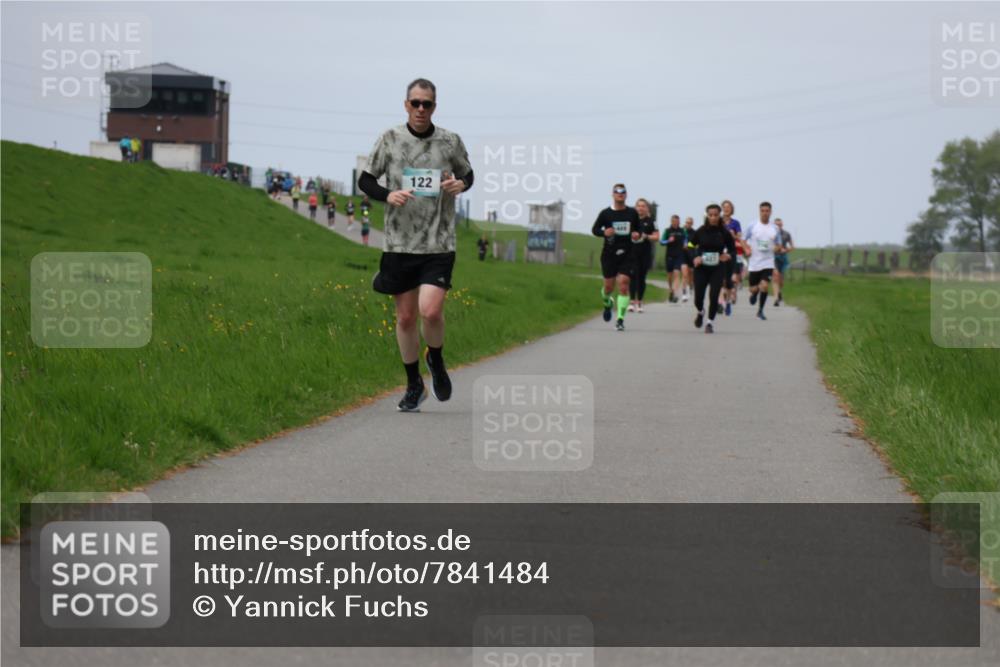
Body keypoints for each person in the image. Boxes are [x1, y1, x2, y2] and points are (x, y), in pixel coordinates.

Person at [358, 77, 474, 412]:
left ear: (434, 107)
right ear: (406, 105)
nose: (421, 109)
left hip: (438, 241)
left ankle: (435, 358)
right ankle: (413, 385)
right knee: (407, 318)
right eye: (415, 103)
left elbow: (468, 174)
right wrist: (387, 194)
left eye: (427, 104)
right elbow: (366, 179)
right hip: (399, 244)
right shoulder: (390, 139)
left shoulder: (450, 141)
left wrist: (460, 184)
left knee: (431, 310)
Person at [592, 183, 642, 332]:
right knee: (608, 287)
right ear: (613, 195)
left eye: (623, 191)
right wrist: (604, 233)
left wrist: (637, 234)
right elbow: (594, 229)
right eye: (617, 191)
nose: (620, 194)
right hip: (609, 254)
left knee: (624, 284)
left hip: (627, 253)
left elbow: (639, 229)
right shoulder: (605, 214)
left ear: (626, 195)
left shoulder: (632, 213)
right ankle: (607, 303)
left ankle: (620, 319)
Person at [690, 204, 737, 334]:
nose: (713, 217)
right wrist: (695, 257)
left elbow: (733, 250)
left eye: (716, 215)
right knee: (698, 298)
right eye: (710, 215)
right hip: (701, 268)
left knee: (714, 295)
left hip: (717, 268)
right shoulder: (700, 231)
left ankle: (710, 322)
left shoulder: (724, 232)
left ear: (719, 215)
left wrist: (727, 255)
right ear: (707, 216)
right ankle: (700, 312)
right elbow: (689, 244)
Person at [743, 201, 781, 321]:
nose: (765, 213)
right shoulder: (752, 225)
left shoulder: (775, 228)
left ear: (770, 212)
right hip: (754, 263)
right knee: (753, 288)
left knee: (764, 286)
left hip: (768, 262)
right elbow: (743, 240)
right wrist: (747, 249)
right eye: (762, 211)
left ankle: (760, 311)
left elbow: (779, 245)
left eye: (767, 211)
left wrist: (776, 248)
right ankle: (754, 293)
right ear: (759, 211)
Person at [628, 198, 659, 313]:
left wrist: (646, 236)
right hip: (632, 252)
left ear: (647, 208)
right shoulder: (631, 220)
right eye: (638, 206)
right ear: (636, 207)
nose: (640, 208)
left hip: (645, 253)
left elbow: (657, 237)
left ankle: (640, 301)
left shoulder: (651, 221)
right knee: (632, 276)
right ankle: (631, 302)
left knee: (641, 278)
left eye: (643, 206)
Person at [721, 199, 741, 316]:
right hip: (719, 253)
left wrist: (733, 235)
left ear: (731, 209)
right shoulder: (718, 221)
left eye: (728, 207)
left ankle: (728, 302)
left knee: (729, 282)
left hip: (731, 253)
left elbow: (739, 236)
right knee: (720, 279)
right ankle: (720, 301)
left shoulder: (735, 223)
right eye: (724, 207)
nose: (726, 209)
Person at [660, 214, 687, 303]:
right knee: (669, 276)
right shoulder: (667, 231)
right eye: (673, 221)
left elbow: (686, 239)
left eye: (677, 221)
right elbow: (661, 242)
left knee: (677, 273)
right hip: (669, 256)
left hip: (679, 256)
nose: (675, 223)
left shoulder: (682, 230)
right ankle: (671, 289)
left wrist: (685, 244)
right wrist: (668, 240)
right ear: (671, 222)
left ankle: (674, 293)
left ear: (679, 222)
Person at [773, 218, 794, 306]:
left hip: (783, 257)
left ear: (782, 225)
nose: (778, 226)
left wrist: (785, 250)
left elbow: (792, 246)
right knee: (775, 276)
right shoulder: (770, 234)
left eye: (779, 225)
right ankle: (776, 298)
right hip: (773, 257)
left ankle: (779, 292)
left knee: (781, 280)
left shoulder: (786, 234)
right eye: (776, 225)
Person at [682, 217, 696, 300]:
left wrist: (688, 245)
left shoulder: (694, 233)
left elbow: (696, 244)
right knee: (684, 274)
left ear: (692, 224)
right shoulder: (682, 231)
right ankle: (684, 293)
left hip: (691, 255)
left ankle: (691, 287)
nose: (688, 224)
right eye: (687, 222)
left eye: (690, 223)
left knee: (691, 274)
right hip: (683, 256)